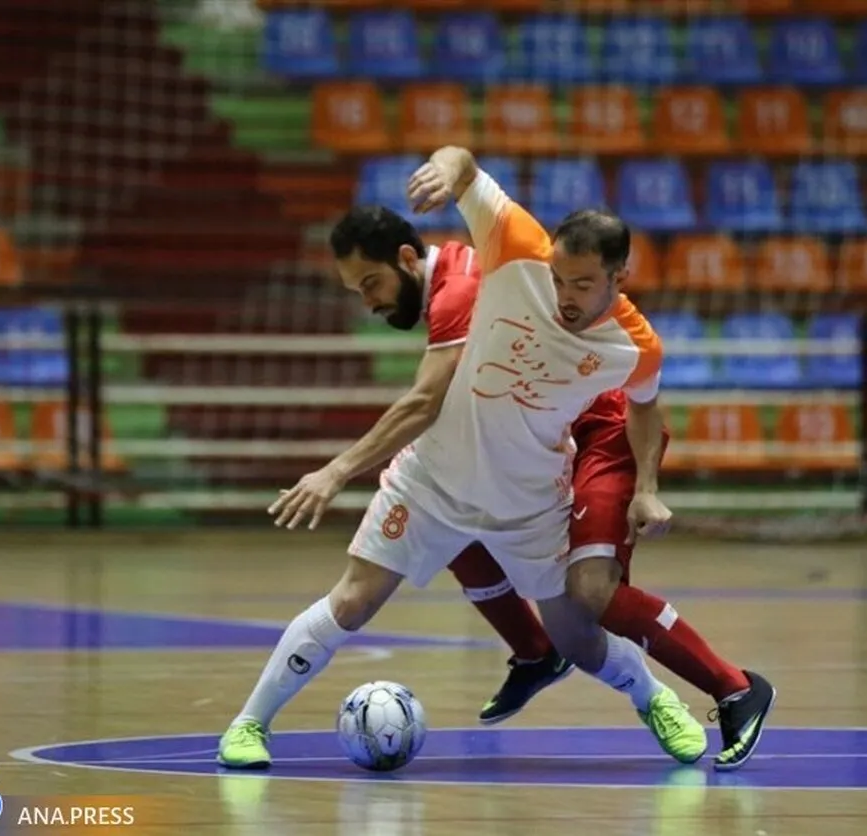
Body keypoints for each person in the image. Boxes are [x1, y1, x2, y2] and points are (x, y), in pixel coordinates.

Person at [217, 147, 704, 770]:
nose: (368, 301)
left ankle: (656, 698)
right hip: (433, 485)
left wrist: (335, 472)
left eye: (370, 284)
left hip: (528, 496)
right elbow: (464, 163)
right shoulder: (476, 269)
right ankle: (248, 724)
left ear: (406, 259)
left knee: (579, 638)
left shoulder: (470, 289)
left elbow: (424, 402)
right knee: (352, 601)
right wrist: (449, 169)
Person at [315, 205, 774, 767]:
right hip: (545, 438)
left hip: (601, 433)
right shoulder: (513, 281)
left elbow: (646, 405)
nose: (564, 294)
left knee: (591, 592)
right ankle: (535, 653)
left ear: (617, 278)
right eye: (559, 279)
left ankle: (732, 687)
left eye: (581, 282)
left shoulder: (614, 333)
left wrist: (646, 487)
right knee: (455, 516)